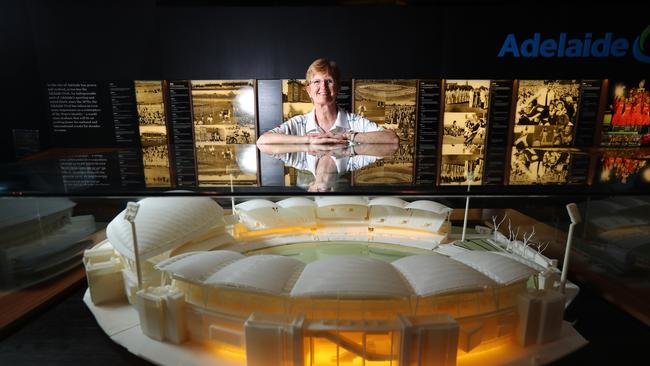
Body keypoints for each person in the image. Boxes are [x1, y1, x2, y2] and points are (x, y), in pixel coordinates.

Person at [256, 58, 398, 145]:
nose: (323, 87)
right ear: (309, 90)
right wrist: (308, 140)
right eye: (316, 81)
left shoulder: (355, 122)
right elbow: (263, 140)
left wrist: (348, 136)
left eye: (328, 81)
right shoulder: (299, 123)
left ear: (337, 88)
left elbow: (392, 139)